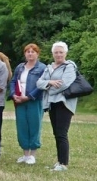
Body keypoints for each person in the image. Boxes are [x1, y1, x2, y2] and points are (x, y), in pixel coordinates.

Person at [37, 41, 78, 172]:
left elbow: (64, 84)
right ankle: (59, 162)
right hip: (51, 103)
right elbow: (39, 83)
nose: (58, 54)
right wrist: (50, 82)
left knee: (61, 133)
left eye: (61, 52)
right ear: (52, 53)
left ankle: (64, 164)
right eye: (56, 52)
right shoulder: (49, 67)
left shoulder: (69, 66)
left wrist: (47, 88)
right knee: (56, 133)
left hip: (64, 103)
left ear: (65, 53)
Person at [9, 43, 46, 165]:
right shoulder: (20, 67)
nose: (30, 53)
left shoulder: (42, 68)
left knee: (34, 126)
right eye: (27, 51)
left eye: (33, 51)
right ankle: (25, 155)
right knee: (22, 127)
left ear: (37, 54)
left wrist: (29, 97)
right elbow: (13, 81)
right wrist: (14, 94)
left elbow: (42, 86)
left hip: (34, 101)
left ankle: (32, 155)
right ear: (25, 54)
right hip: (19, 101)